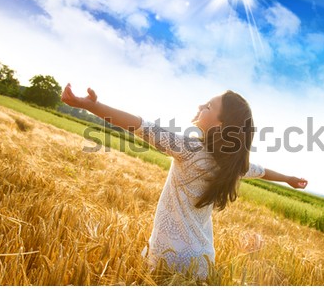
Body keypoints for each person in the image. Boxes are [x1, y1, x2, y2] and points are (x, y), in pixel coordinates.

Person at [61, 84, 308, 279]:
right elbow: (262, 171)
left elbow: (139, 125)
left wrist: (94, 106)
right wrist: (289, 179)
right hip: (201, 263)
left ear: (219, 125)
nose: (201, 105)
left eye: (209, 106)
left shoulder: (189, 149)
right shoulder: (231, 165)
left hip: (167, 259)